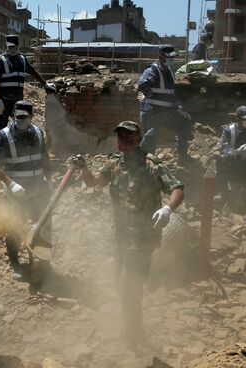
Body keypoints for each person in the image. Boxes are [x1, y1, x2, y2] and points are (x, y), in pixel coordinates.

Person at [74, 121, 184, 349]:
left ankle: (135, 336)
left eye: (127, 137)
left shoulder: (151, 164)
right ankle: (130, 329)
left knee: (129, 286)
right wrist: (84, 168)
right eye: (120, 137)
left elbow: (177, 188)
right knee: (121, 284)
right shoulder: (114, 163)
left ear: (137, 139)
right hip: (121, 237)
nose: (122, 141)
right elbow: (94, 182)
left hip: (142, 238)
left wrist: (167, 209)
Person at [0, 100, 53, 279]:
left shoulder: (39, 134)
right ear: (12, 116)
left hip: (37, 188)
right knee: (14, 226)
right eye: (17, 117)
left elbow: (45, 160)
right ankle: (15, 264)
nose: (20, 120)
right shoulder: (4, 136)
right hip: (15, 190)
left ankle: (42, 261)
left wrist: (49, 181)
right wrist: (11, 185)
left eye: (24, 117)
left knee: (41, 224)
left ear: (32, 117)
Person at [138, 44, 193, 163]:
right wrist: (149, 94)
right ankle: (142, 164)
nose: (172, 60)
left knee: (184, 122)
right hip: (152, 111)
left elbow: (170, 94)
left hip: (166, 112)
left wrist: (176, 105)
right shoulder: (152, 70)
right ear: (161, 56)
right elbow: (142, 85)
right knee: (151, 135)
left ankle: (183, 158)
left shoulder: (170, 72)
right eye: (170, 57)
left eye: (173, 57)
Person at [0, 34, 56, 132]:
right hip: (4, 100)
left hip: (17, 101)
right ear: (6, 46)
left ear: (18, 46)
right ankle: (1, 146)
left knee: (20, 127)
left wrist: (44, 83)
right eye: (10, 47)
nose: (12, 49)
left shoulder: (22, 59)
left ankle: (17, 146)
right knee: (1, 128)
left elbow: (32, 72)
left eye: (14, 46)